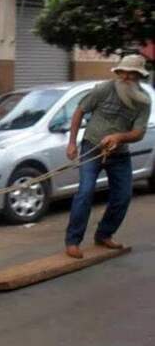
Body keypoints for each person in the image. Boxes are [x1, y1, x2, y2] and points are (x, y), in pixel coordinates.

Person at [65, 54, 152, 259]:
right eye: (123, 72)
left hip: (119, 154)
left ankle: (104, 234)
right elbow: (79, 111)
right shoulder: (103, 89)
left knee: (123, 196)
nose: (127, 76)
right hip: (92, 148)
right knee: (85, 193)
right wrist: (71, 143)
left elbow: (138, 133)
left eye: (132, 73)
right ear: (118, 72)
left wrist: (119, 137)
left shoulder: (143, 102)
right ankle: (73, 241)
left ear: (139, 76)